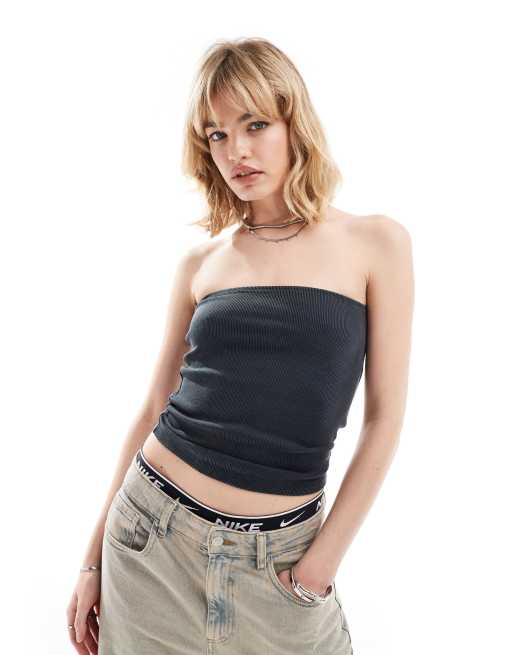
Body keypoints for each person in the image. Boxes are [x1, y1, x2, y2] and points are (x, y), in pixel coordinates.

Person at [66, 37, 414, 655]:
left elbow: (384, 418)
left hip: (284, 562)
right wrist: (92, 560)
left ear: (293, 122)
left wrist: (320, 566)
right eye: (217, 135)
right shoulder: (203, 262)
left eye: (255, 124)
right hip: (152, 541)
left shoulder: (376, 244)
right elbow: (153, 408)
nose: (237, 151)